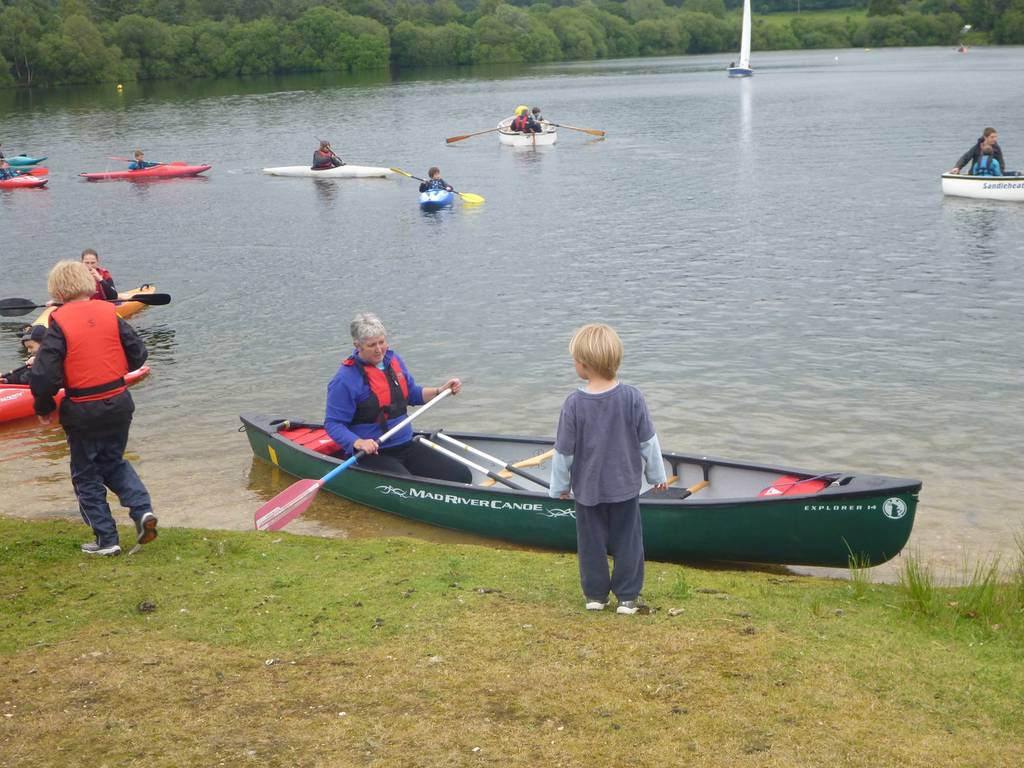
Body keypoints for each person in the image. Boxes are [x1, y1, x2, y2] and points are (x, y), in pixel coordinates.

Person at [30, 260, 157, 557]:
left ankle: (106, 539)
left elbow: (44, 374)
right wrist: (111, 371)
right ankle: (142, 510)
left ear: (58, 291)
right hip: (119, 403)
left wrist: (44, 406)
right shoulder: (109, 313)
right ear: (89, 284)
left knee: (85, 474)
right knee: (113, 461)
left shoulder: (58, 320)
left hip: (83, 409)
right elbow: (138, 354)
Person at [549, 323, 668, 615]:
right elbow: (648, 442)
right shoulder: (632, 398)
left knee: (591, 544)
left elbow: (563, 452)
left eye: (575, 360)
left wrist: (559, 486)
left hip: (588, 490)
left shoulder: (574, 404)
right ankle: (627, 597)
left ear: (584, 365)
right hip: (625, 487)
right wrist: (657, 477)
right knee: (629, 542)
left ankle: (595, 596)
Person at [324, 312, 471, 483]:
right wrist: (358, 443)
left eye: (382, 342)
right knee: (406, 487)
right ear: (358, 345)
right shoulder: (345, 379)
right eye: (372, 345)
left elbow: (412, 394)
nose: (379, 349)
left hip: (405, 444)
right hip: (373, 453)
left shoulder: (393, 361)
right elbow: (333, 424)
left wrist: (440, 390)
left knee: (461, 475)